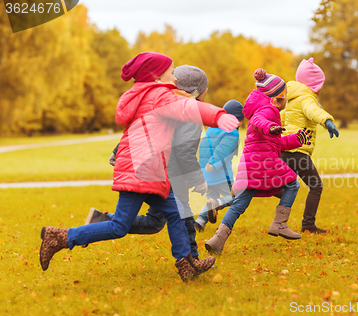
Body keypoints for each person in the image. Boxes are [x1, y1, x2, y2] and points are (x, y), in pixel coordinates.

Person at [39, 52, 239, 281]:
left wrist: (118, 152)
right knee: (122, 226)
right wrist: (219, 116)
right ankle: (61, 237)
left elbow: (142, 127)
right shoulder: (164, 98)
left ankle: (187, 264)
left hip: (150, 171)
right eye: (171, 72)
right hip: (144, 171)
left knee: (171, 215)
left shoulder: (148, 96)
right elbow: (190, 111)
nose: (174, 77)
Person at [85, 65, 211, 260]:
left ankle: (100, 221)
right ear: (197, 92)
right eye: (205, 90)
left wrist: (117, 153)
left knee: (154, 222)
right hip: (169, 175)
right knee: (183, 215)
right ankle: (191, 260)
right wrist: (198, 181)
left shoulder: (161, 102)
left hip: (156, 170)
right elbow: (184, 152)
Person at [204, 68, 312, 255]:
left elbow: (276, 143)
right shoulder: (267, 111)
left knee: (239, 203)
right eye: (285, 96)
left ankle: (217, 240)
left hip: (252, 164)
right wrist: (271, 127)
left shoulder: (264, 110)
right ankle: (279, 223)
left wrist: (297, 139)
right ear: (275, 98)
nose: (286, 99)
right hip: (263, 163)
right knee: (293, 184)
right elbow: (259, 123)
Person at [280, 58, 339, 234]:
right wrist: (327, 120)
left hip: (285, 150)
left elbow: (282, 118)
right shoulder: (306, 98)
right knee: (316, 186)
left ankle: (278, 220)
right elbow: (313, 111)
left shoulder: (291, 98)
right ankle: (308, 225)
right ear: (315, 85)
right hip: (298, 152)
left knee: (285, 186)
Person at [195, 99, 244, 232]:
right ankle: (217, 204)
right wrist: (213, 164)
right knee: (236, 197)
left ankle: (199, 222)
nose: (241, 123)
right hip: (220, 173)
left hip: (206, 175)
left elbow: (204, 148)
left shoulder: (211, 128)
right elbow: (222, 150)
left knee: (211, 198)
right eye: (240, 119)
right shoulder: (231, 131)